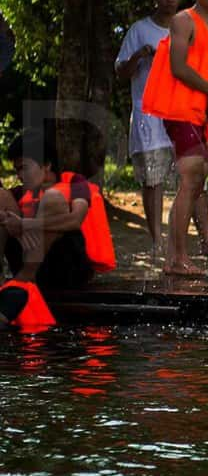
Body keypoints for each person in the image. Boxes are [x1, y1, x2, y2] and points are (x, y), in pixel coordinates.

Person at [142, 0, 208, 277]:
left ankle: (178, 257)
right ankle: (175, 259)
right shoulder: (184, 20)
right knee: (191, 181)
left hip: (204, 114)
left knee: (196, 182)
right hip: (181, 110)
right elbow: (178, 66)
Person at [0, 130, 116, 328]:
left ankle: (23, 281)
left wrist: (24, 225)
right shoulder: (18, 193)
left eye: (24, 168)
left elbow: (75, 220)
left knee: (52, 199)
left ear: (46, 165)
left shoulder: (75, 183)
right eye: (16, 170)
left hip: (66, 269)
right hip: (30, 260)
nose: (19, 175)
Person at [114, 0, 183, 252]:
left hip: (181, 114)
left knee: (187, 179)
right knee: (152, 181)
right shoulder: (139, 30)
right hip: (148, 117)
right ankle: (157, 239)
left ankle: (182, 239)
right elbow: (121, 70)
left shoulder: (187, 27)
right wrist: (140, 55)